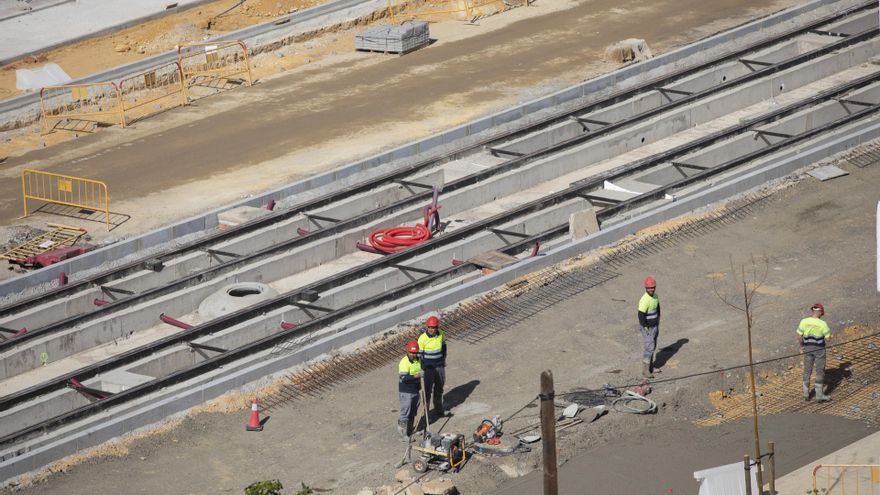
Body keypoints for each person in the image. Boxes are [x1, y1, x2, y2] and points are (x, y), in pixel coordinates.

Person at [798, 303, 832, 402]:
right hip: (819, 349)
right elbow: (828, 338)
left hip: (808, 348)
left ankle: (806, 394)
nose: (822, 315)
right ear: (820, 312)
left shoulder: (804, 321)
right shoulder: (823, 324)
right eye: (822, 313)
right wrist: (828, 336)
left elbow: (799, 336)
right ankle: (819, 395)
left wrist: (802, 345)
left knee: (807, 370)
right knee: (819, 371)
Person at [418, 315, 449, 419]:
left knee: (439, 389)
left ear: (437, 327)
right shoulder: (422, 339)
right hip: (428, 369)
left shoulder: (441, 334)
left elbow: (444, 347)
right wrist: (422, 369)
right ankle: (426, 415)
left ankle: (439, 410)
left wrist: (443, 360)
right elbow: (419, 356)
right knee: (427, 392)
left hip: (439, 366)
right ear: (427, 327)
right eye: (430, 327)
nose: (431, 329)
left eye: (434, 327)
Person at [397, 340, 422, 440]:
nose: (413, 354)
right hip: (406, 391)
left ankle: (410, 430)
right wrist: (417, 376)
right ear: (408, 351)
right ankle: (403, 434)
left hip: (415, 390)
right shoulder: (404, 362)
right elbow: (404, 378)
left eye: (415, 352)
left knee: (413, 411)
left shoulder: (418, 360)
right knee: (405, 411)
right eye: (411, 352)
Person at [637, 276, 660, 378]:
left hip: (654, 326)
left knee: (653, 346)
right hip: (647, 328)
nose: (651, 289)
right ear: (646, 288)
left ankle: (650, 368)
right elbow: (640, 315)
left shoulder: (655, 297)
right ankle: (645, 371)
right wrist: (645, 327)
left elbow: (658, 309)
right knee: (649, 347)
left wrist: (658, 321)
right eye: (649, 287)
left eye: (653, 287)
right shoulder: (644, 299)